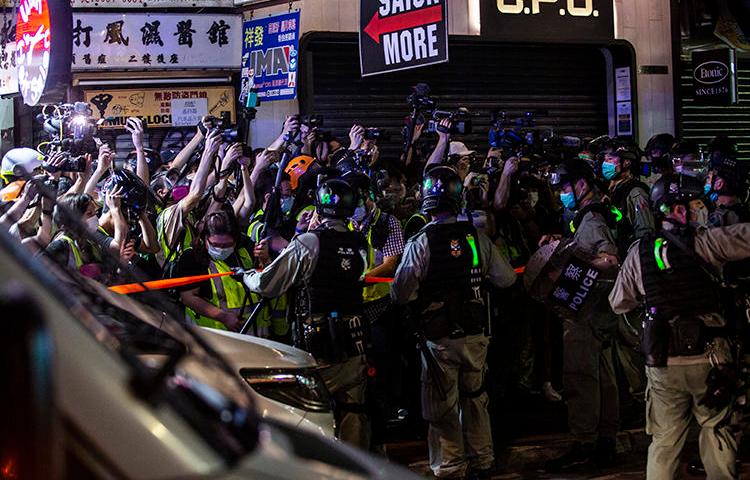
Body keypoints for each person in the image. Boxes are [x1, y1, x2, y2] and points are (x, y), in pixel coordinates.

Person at [609, 173, 750, 480]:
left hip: (663, 362)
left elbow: (618, 302)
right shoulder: (708, 242)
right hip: (710, 358)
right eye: (697, 204)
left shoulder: (638, 252)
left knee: (664, 440)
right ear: (679, 210)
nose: (702, 210)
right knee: (715, 431)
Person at [391, 166, 517, 479]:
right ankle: (483, 460)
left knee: (441, 407)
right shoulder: (476, 238)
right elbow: (505, 279)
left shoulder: (420, 243)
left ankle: (450, 468)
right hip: (475, 336)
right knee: (475, 399)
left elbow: (401, 293)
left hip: (439, 339)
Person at [240, 178, 370, 449]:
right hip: (354, 341)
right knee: (353, 412)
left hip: (319, 343)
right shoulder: (359, 242)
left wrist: (248, 276)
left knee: (313, 413)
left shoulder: (310, 242)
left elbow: (268, 286)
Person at [544, 159, 621, 473]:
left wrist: (571, 255)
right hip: (600, 310)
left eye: (565, 187)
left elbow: (610, 259)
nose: (562, 193)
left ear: (581, 185)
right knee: (604, 378)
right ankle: (605, 442)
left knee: (580, 378)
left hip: (584, 311)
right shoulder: (597, 213)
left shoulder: (590, 219)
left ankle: (584, 445)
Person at [174, 208, 288, 338]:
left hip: (258, 336)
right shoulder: (192, 257)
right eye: (215, 244)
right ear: (205, 238)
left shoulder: (246, 247)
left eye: (227, 244)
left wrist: (266, 259)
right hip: (215, 340)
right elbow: (189, 297)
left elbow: (267, 281)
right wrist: (223, 317)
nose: (221, 249)